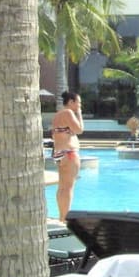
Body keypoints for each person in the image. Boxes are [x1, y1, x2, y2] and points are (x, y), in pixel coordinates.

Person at [51, 91, 84, 222]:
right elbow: (79, 129)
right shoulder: (68, 113)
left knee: (62, 187)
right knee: (68, 187)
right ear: (71, 102)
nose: (80, 106)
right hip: (69, 153)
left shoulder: (58, 115)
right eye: (78, 103)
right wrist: (79, 114)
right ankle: (64, 218)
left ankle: (62, 216)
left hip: (60, 153)